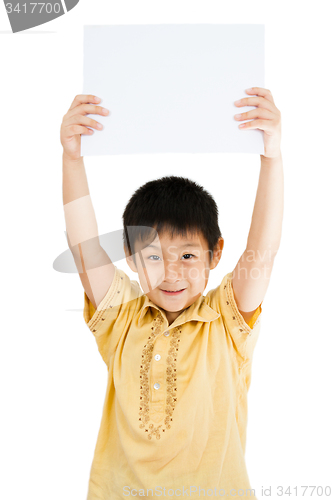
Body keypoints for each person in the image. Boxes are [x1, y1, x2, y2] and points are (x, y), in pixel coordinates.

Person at [60, 87, 283, 499]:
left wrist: (271, 157)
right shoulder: (122, 318)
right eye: (153, 257)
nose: (172, 273)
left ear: (215, 253)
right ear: (129, 256)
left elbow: (262, 253)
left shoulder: (227, 321)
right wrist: (72, 158)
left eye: (186, 255)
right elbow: (84, 247)